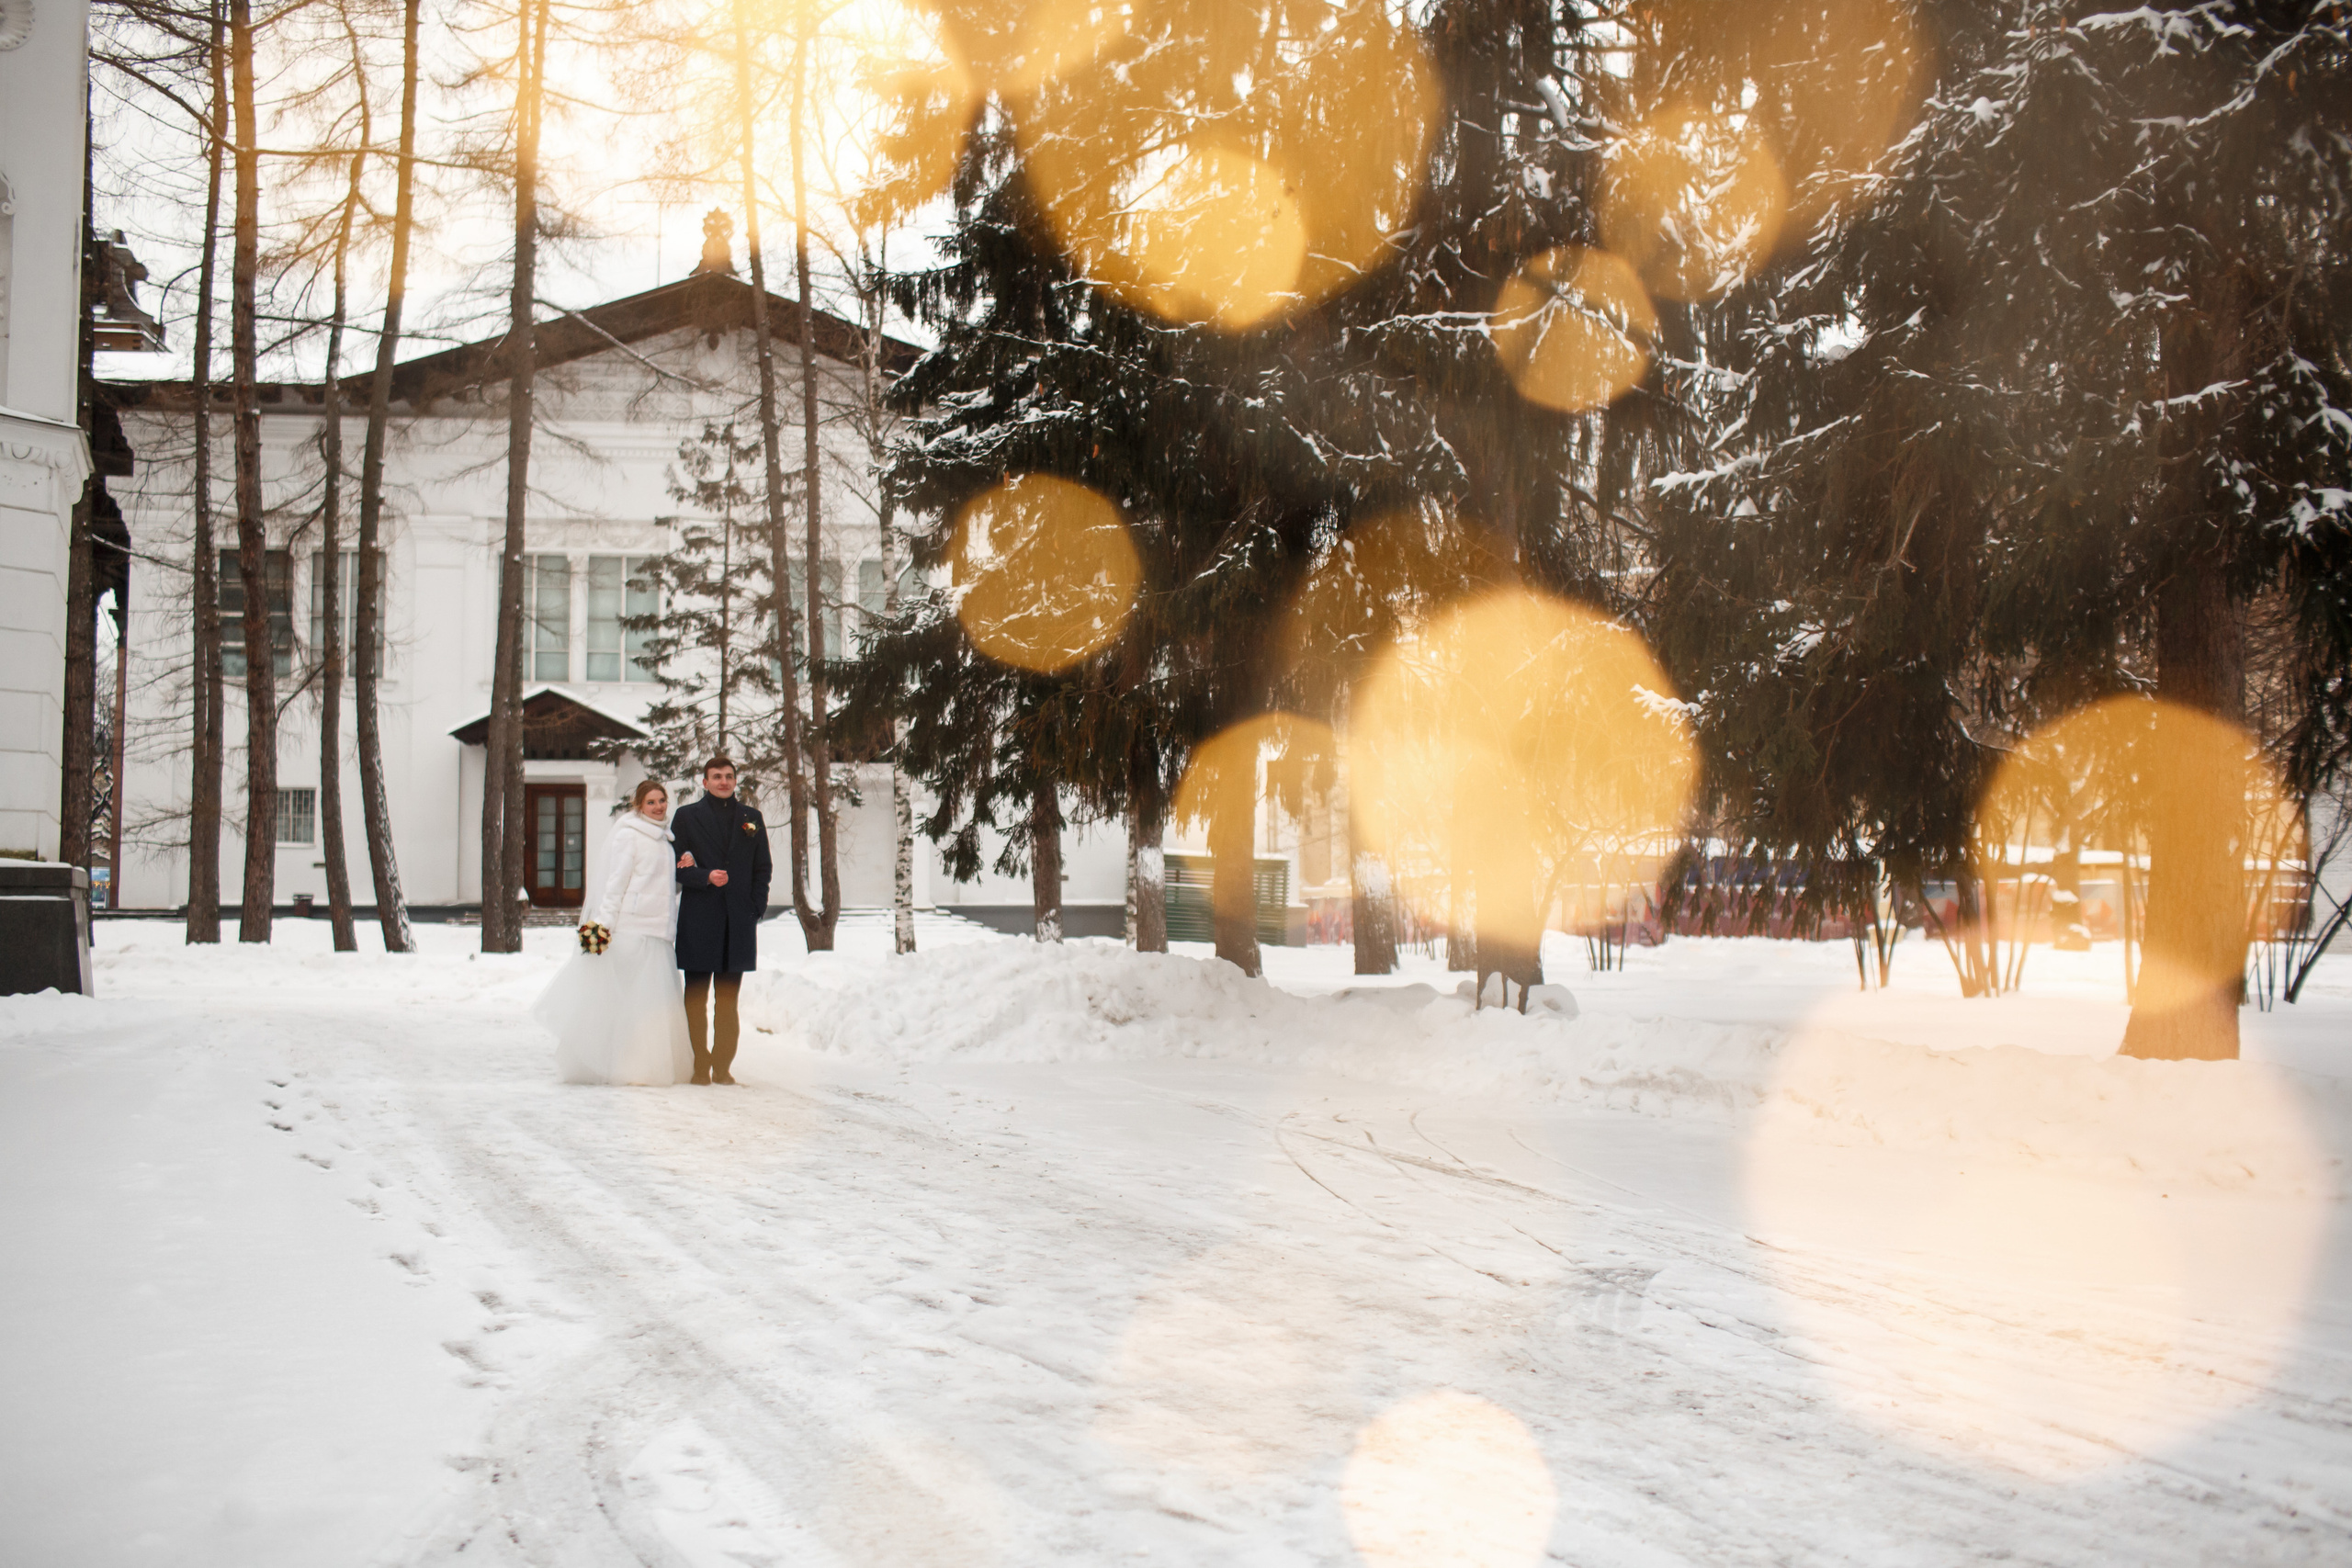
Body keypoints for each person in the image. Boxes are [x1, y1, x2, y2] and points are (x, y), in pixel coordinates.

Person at [534, 778, 695, 1086]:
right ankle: (622, 1065)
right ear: (638, 805)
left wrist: (684, 870)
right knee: (629, 1003)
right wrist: (603, 927)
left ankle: (648, 1066)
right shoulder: (629, 836)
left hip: (659, 932)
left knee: (652, 1007)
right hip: (631, 930)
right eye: (651, 802)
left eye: (662, 800)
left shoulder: (665, 841)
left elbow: (662, 888)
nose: (658, 806)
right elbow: (615, 883)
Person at [670, 754, 772, 1085]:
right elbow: (673, 866)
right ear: (705, 781)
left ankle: (723, 1066)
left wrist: (755, 907)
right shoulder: (686, 817)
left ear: (735, 780)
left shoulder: (751, 817)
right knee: (695, 1000)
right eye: (716, 776)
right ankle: (699, 1065)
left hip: (738, 923)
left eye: (728, 776)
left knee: (728, 1003)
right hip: (699, 921)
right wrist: (703, 877)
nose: (723, 782)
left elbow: (762, 867)